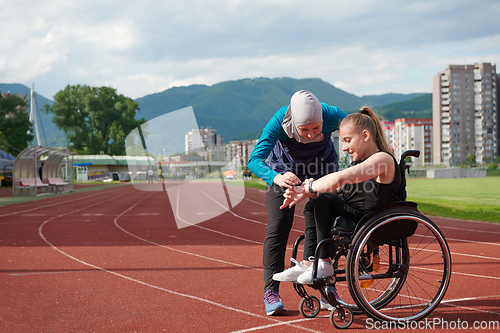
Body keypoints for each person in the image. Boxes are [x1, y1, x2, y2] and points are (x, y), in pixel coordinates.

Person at [248, 90, 347, 315]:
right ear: (292, 123)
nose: (311, 135)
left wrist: (381, 147)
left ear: (324, 121)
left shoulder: (331, 114)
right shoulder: (278, 121)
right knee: (278, 226)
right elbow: (254, 160)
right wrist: (276, 177)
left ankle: (324, 286)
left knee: (324, 220)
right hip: (284, 173)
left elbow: (362, 128)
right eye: (304, 130)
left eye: (317, 129)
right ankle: (271, 292)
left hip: (322, 170)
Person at [279, 106, 401, 285]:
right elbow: (335, 189)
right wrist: (306, 191)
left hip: (372, 218)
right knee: (314, 203)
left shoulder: (382, 159)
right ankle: (308, 262)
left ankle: (324, 263)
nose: (344, 148)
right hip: (357, 213)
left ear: (365, 136)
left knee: (323, 199)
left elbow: (339, 178)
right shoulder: (358, 163)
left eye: (347, 140)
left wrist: (309, 188)